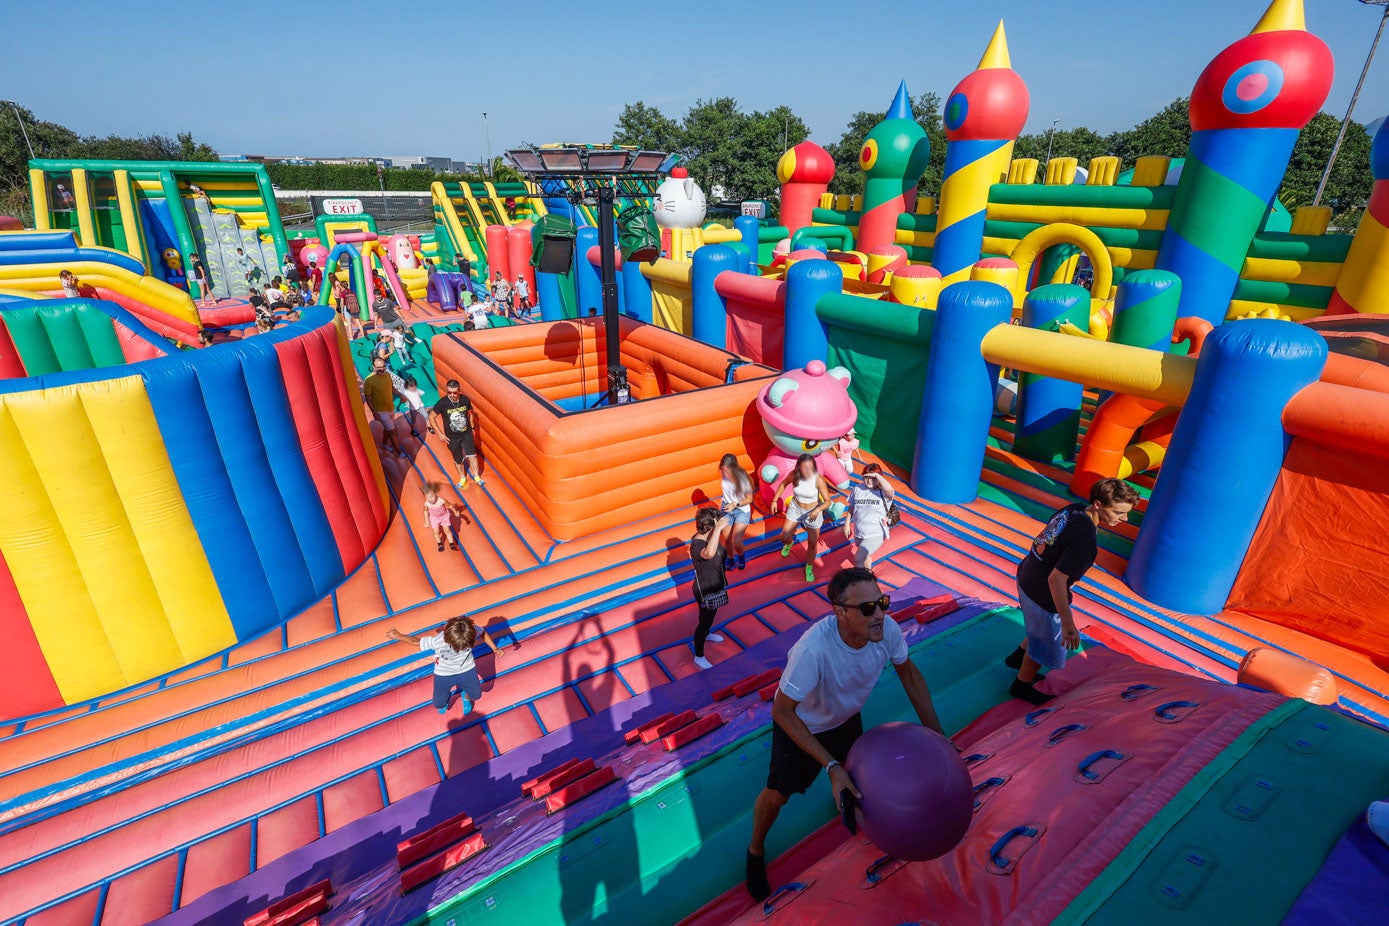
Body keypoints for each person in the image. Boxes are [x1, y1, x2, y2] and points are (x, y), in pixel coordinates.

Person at [746, 566, 944, 901]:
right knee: (778, 795)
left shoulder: (888, 630)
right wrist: (830, 765)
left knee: (859, 783)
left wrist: (937, 735)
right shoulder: (813, 650)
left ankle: (842, 798)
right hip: (803, 726)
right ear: (840, 612)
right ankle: (754, 850)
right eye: (868, 608)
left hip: (847, 719)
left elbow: (908, 674)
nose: (879, 614)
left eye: (882, 602)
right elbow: (782, 711)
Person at [1004, 477, 1141, 705]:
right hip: (1042, 593)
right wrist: (1068, 624)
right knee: (1046, 642)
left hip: (1026, 574)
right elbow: (1056, 580)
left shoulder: (1075, 509)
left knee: (1037, 626)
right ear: (1098, 504)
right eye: (1118, 512)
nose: (1124, 519)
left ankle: (1017, 658)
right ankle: (1021, 685)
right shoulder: (1085, 541)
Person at [385, 615, 505, 716]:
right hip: (444, 672)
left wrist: (494, 648)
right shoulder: (440, 640)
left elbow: (483, 632)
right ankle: (445, 698)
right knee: (439, 703)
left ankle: (466, 696)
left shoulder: (471, 632)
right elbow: (415, 641)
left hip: (466, 668)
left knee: (476, 694)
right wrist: (398, 635)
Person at [772, 453, 836, 583]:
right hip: (796, 508)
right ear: (799, 468)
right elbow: (783, 484)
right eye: (804, 467)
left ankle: (809, 568)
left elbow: (827, 501)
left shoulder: (817, 479)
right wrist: (774, 500)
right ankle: (790, 543)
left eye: (809, 467)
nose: (807, 470)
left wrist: (817, 510)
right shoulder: (794, 475)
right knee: (784, 537)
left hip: (813, 512)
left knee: (812, 543)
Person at [689, 508, 731, 670]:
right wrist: (718, 529)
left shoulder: (710, 537)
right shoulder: (698, 543)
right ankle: (699, 656)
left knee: (710, 615)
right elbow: (709, 554)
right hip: (705, 589)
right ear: (712, 525)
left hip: (715, 583)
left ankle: (707, 633)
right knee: (704, 620)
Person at [430, 378, 483, 487]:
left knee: (472, 456)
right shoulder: (443, 403)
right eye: (449, 392)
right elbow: (431, 417)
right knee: (458, 460)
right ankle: (462, 478)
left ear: (459, 391)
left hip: (466, 434)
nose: (452, 395)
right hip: (452, 438)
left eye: (455, 392)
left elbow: (471, 413)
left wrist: (472, 427)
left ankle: (477, 476)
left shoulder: (465, 400)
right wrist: (440, 433)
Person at [845, 463, 895, 571]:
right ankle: (868, 574)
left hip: (875, 533)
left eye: (872, 478)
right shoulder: (858, 489)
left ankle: (860, 581)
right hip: (859, 531)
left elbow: (890, 490)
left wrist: (877, 475)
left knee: (858, 559)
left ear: (879, 478)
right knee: (865, 556)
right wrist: (847, 523)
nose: (869, 481)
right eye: (866, 477)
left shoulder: (883, 492)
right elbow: (852, 506)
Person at [363, 354, 407, 457]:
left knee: (388, 430)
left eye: (384, 366)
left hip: (390, 407)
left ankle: (383, 443)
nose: (382, 369)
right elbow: (368, 397)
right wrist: (373, 411)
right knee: (392, 431)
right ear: (373, 367)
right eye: (379, 368)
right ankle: (399, 452)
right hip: (380, 410)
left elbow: (391, 387)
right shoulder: (369, 380)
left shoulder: (387, 375)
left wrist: (400, 395)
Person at [718, 453, 755, 570]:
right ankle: (730, 559)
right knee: (726, 538)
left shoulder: (742, 480)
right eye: (723, 470)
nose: (725, 473)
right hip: (727, 507)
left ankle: (741, 556)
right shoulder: (724, 472)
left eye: (727, 470)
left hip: (741, 509)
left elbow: (749, 499)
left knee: (736, 541)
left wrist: (736, 504)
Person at [422, 481, 465, 552]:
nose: (430, 499)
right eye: (427, 497)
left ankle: (451, 544)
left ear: (435, 494)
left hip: (444, 517)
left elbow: (449, 505)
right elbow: (425, 511)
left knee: (447, 530)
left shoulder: (441, 500)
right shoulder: (427, 504)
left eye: (431, 497)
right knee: (436, 532)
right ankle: (440, 544)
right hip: (434, 518)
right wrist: (426, 521)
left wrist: (455, 511)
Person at [401, 373, 427, 437]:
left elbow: (421, 393)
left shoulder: (416, 390)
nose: (413, 388)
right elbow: (403, 400)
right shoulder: (406, 393)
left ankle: (429, 427)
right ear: (407, 386)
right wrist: (404, 399)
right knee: (413, 420)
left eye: (414, 386)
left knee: (426, 416)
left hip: (420, 406)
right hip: (413, 409)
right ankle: (412, 430)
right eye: (411, 386)